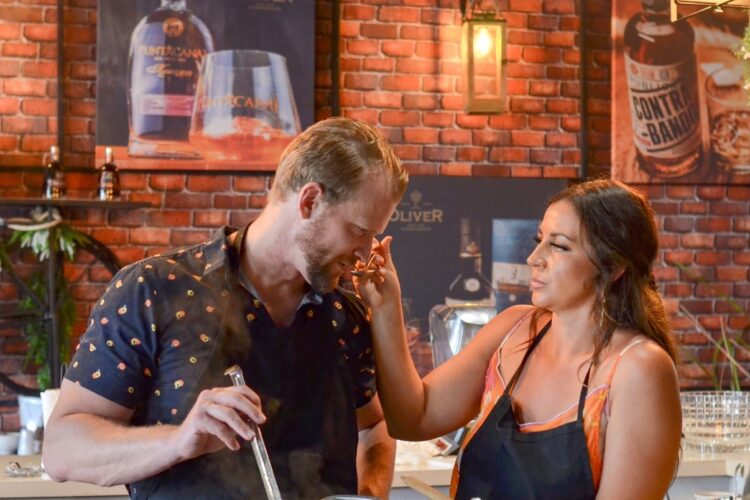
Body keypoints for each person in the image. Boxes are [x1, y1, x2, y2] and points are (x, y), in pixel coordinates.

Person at [43, 117, 409, 499]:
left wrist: (370, 492)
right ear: (310, 201)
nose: (366, 252)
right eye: (360, 230)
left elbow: (374, 426)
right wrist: (179, 441)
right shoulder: (153, 290)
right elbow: (63, 448)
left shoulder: (344, 316)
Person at [357, 179, 682, 499]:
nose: (534, 258)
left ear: (613, 267)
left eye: (559, 246)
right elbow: (414, 418)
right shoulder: (513, 331)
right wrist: (386, 307)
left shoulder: (638, 368)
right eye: (539, 240)